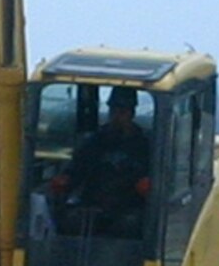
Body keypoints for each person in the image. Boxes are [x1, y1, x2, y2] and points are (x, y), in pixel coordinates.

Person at [57, 86, 152, 239]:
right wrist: (66, 179)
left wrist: (146, 186)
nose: (117, 117)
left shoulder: (146, 144)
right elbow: (77, 169)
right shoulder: (94, 141)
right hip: (92, 204)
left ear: (132, 113)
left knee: (130, 225)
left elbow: (157, 177)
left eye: (122, 112)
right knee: (70, 222)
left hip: (129, 206)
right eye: (113, 111)